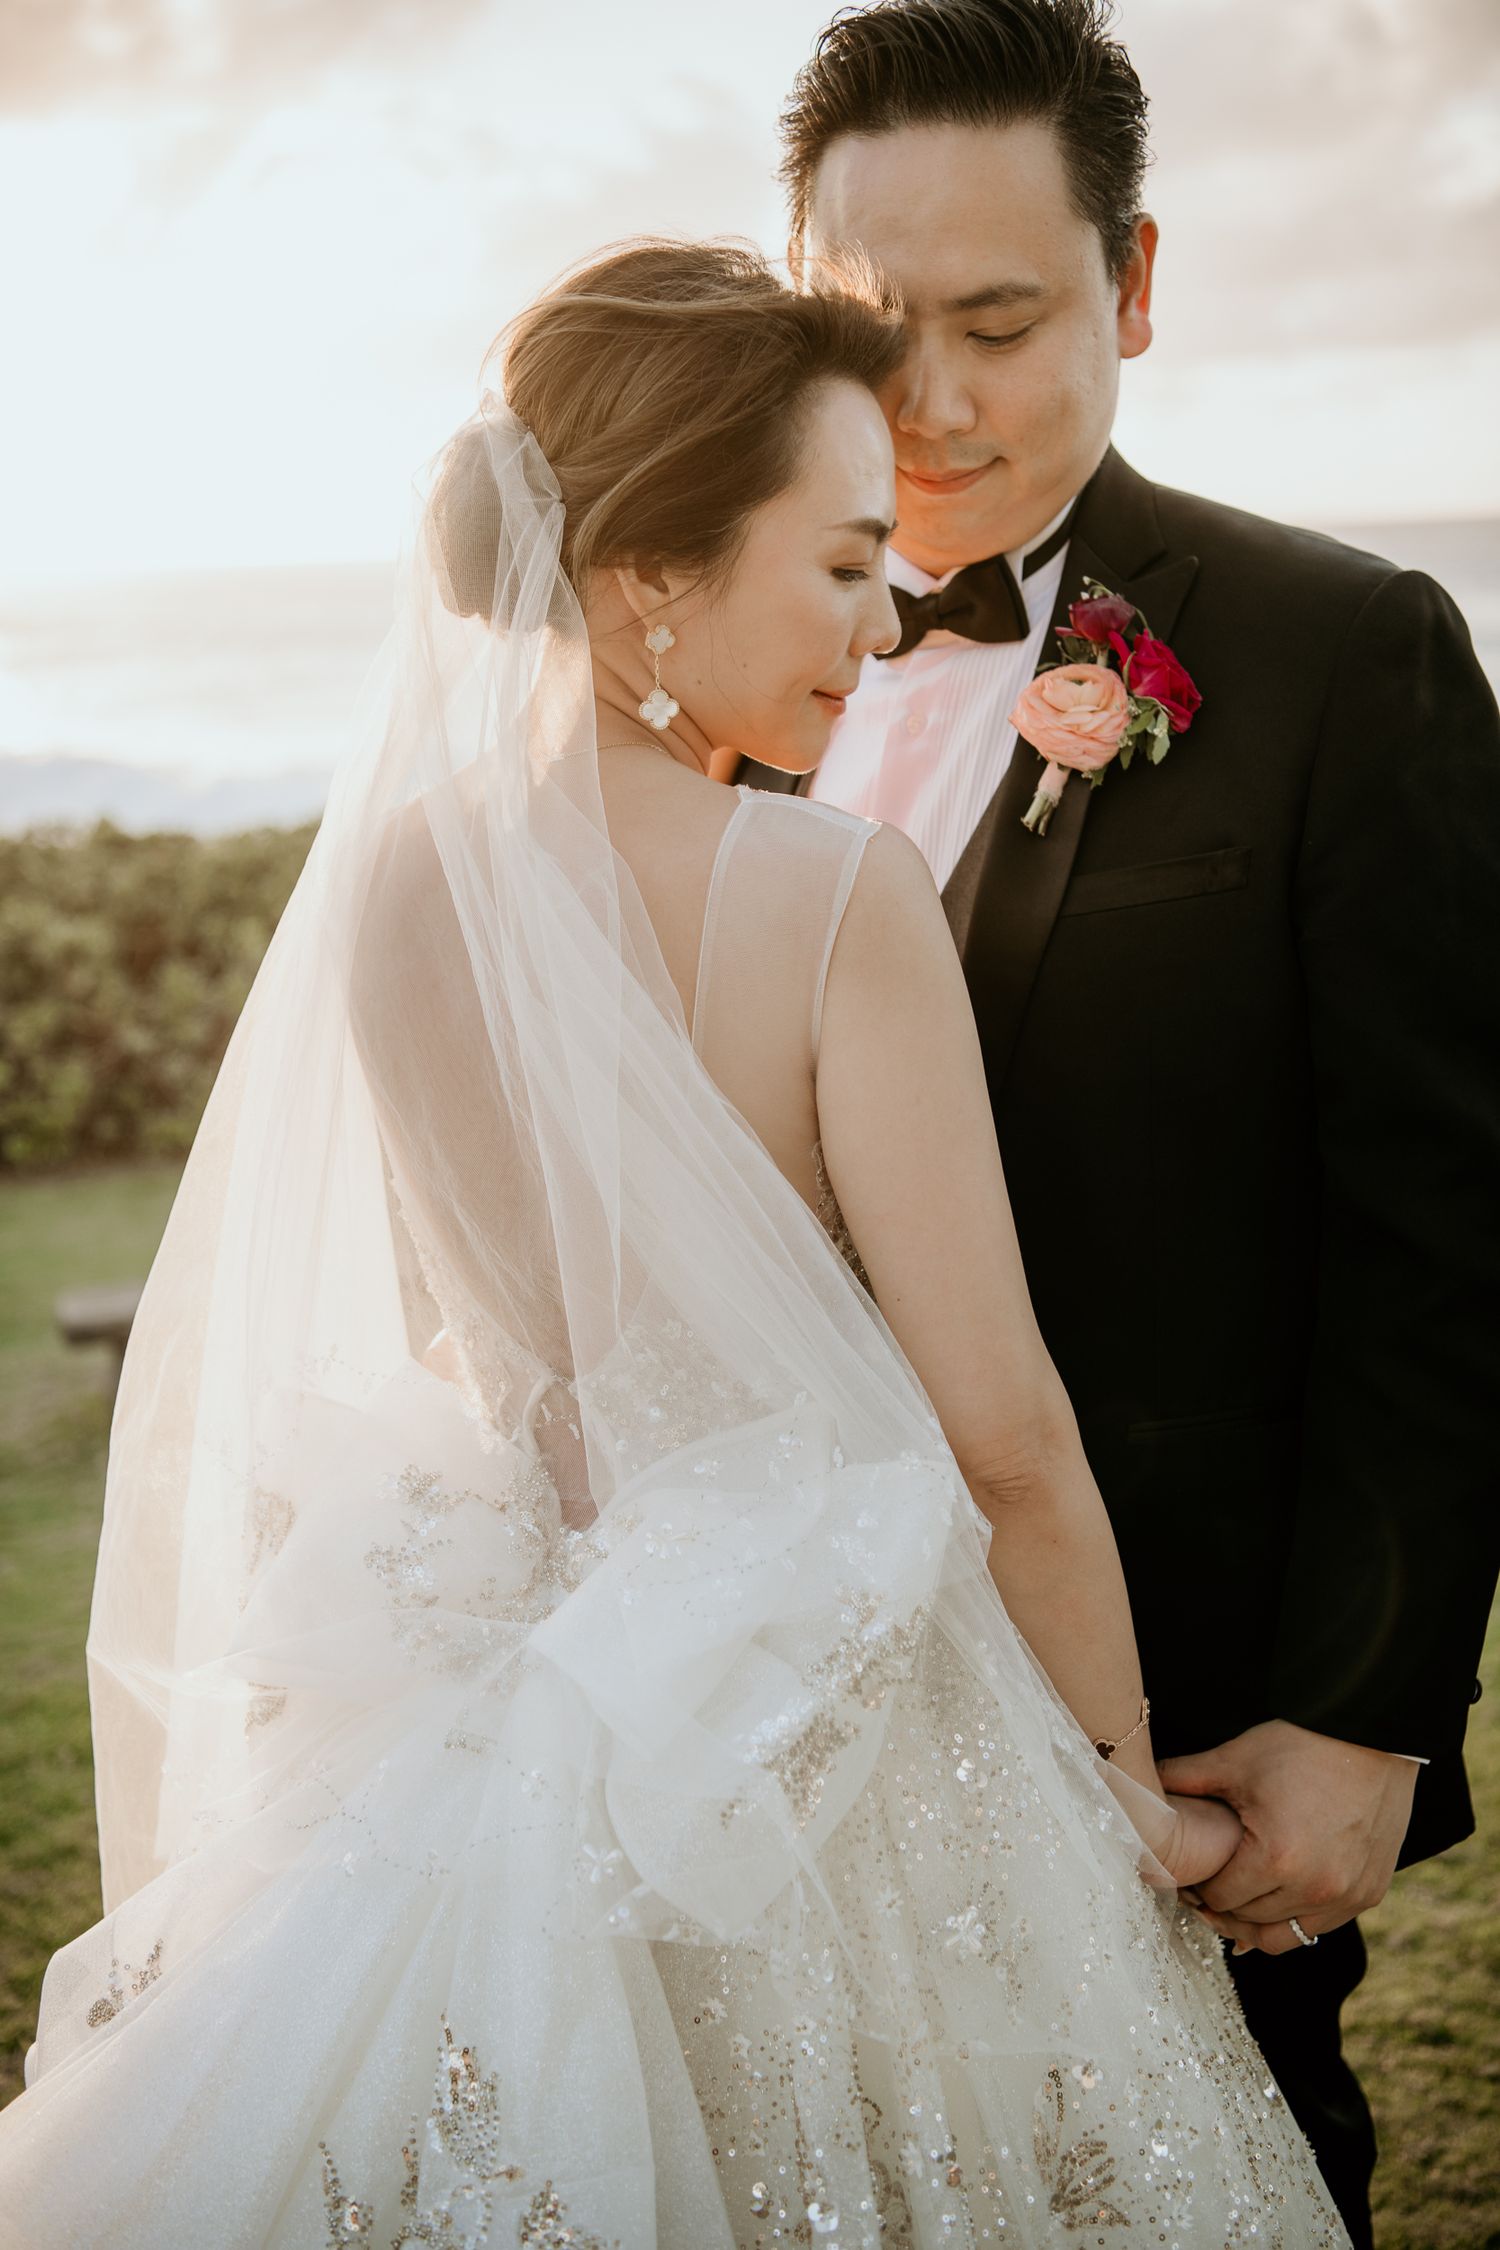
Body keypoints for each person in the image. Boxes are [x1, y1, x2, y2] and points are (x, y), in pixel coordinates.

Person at [0, 242, 1347, 2248]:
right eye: (836, 563)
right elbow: (1004, 1444)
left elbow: (484, 1332)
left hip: (487, 1715)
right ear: (646, 577)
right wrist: (1122, 1801)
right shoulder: (830, 899)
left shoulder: (388, 881)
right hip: (818, 1742)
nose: (884, 624)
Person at [736, 4, 1500, 2243]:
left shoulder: (1342, 655)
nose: (937, 400)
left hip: (1163, 1729)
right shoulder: (685, 662)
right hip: (746, 1722)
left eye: (1004, 322)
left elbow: (1445, 1241)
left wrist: (1363, 1719)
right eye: (877, 327)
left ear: (1135, 285)